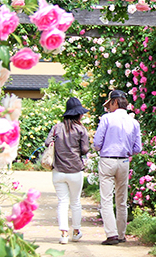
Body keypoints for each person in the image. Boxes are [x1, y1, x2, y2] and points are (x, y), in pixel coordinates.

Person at [93, 89, 142, 245]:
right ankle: (121, 234)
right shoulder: (134, 122)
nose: (109, 107)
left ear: (114, 102)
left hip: (107, 160)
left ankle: (112, 234)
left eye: (110, 104)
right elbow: (138, 148)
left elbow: (97, 143)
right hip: (124, 161)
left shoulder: (107, 118)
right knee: (121, 200)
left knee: (106, 199)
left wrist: (102, 148)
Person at [45, 97, 90, 245]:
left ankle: (64, 234)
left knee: (62, 202)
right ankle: (76, 232)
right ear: (78, 114)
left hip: (58, 171)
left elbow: (47, 142)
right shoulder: (81, 129)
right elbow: (85, 149)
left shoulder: (56, 128)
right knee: (75, 202)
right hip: (75, 170)